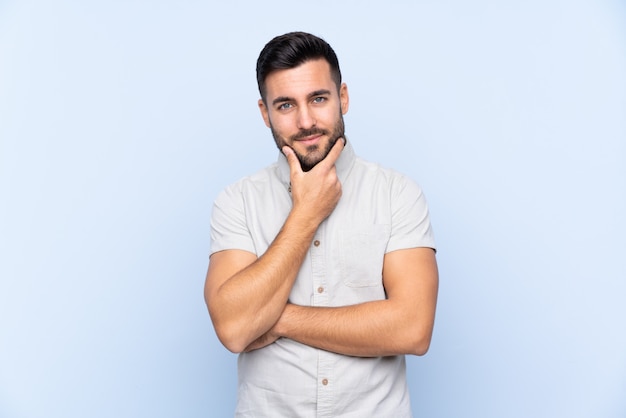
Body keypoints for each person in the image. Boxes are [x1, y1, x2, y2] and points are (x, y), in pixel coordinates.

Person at [204, 31, 438, 417]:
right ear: (265, 114)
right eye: (285, 105)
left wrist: (275, 319)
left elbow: (413, 328)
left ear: (342, 97)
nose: (306, 120)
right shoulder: (237, 201)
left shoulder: (398, 193)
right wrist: (306, 214)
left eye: (318, 98)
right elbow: (233, 328)